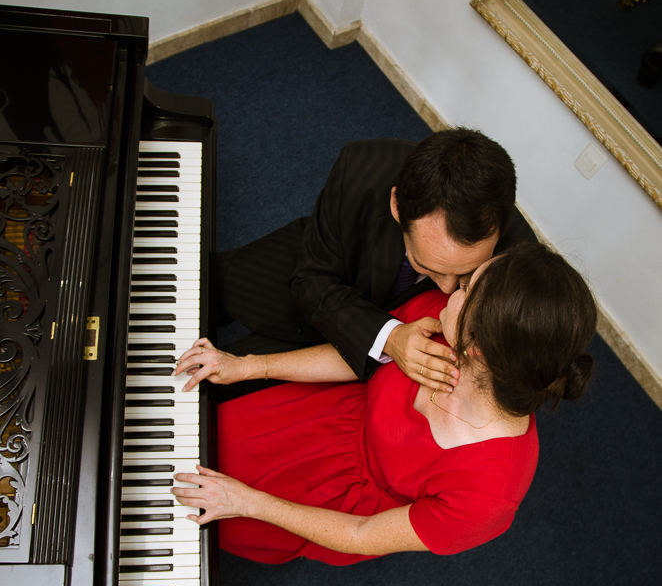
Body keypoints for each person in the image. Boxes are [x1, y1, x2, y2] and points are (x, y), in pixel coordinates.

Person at [174, 243, 597, 566]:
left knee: (193, 529)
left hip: (332, 504)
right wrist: (249, 366)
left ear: (481, 351)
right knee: (181, 439)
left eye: (466, 289)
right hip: (313, 415)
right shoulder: (442, 322)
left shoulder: (489, 495)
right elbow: (360, 354)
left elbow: (361, 533)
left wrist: (247, 502)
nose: (452, 287)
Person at [212, 129, 537, 398]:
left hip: (371, 360)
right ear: (397, 205)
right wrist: (389, 337)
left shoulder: (517, 260)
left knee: (216, 395)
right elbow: (311, 279)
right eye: (432, 266)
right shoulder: (360, 170)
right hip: (316, 273)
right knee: (205, 284)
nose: (449, 289)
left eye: (466, 273)